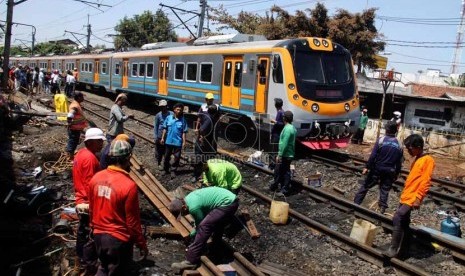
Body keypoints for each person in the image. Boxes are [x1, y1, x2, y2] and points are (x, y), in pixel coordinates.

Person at [89, 140, 148, 275]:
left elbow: (92, 209)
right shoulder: (128, 185)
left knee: (103, 268)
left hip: (98, 236)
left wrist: (92, 229)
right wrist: (141, 243)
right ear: (128, 158)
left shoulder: (96, 178)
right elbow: (132, 222)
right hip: (118, 240)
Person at [384, 134, 434, 258]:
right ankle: (405, 248)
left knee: (398, 217)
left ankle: (393, 249)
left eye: (410, 148)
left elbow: (425, 182)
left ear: (418, 147)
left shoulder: (428, 160)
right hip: (406, 195)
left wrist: (418, 199)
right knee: (404, 222)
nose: (408, 151)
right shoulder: (417, 158)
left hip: (413, 197)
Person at [169, 187, 239, 273]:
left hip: (227, 203)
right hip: (230, 201)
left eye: (182, 213)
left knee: (205, 226)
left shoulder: (193, 207)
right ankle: (215, 249)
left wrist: (192, 234)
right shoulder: (188, 199)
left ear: (183, 207)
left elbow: (201, 225)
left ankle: (191, 261)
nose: (184, 215)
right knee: (216, 224)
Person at [72, 128, 105, 274]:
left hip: (80, 199)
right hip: (87, 202)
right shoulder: (90, 159)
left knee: (82, 232)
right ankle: (88, 265)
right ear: (90, 142)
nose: (102, 143)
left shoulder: (81, 153)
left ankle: (80, 260)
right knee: (89, 235)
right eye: (99, 141)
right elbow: (89, 185)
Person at [353, 121, 404, 214]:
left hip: (377, 168)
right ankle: (382, 209)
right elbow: (399, 161)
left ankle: (355, 205)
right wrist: (397, 173)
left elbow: (373, 156)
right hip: (390, 170)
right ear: (396, 130)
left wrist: (367, 167)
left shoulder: (381, 140)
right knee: (384, 190)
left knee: (365, 186)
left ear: (386, 130)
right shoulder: (400, 144)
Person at [269, 111, 297, 196]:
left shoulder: (287, 129)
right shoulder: (292, 127)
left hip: (285, 154)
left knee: (284, 171)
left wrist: (280, 155)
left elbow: (284, 143)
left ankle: (284, 189)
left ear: (284, 118)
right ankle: (277, 185)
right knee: (281, 170)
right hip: (288, 153)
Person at [160, 102, 188, 179]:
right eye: (177, 109)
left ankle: (173, 170)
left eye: (180, 110)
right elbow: (165, 129)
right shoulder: (168, 118)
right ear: (174, 110)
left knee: (177, 157)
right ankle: (165, 169)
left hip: (177, 142)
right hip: (168, 141)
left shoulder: (183, 120)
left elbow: (184, 132)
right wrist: (162, 138)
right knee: (166, 156)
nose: (179, 111)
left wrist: (184, 142)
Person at [192, 104, 218, 182]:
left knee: (203, 158)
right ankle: (196, 175)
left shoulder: (206, 115)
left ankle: (202, 174)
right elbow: (202, 129)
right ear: (215, 112)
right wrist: (201, 137)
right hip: (203, 142)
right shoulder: (209, 119)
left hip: (205, 141)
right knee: (200, 158)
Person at [66, 92, 88, 160]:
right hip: (74, 128)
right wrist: (70, 123)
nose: (83, 99)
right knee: (73, 141)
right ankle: (70, 157)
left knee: (74, 141)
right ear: (78, 98)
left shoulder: (76, 104)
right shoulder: (75, 106)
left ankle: (70, 155)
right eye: (82, 97)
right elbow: (70, 115)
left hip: (76, 128)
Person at [153, 99, 173, 169]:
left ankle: (166, 163)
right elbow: (156, 126)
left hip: (169, 136)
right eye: (161, 107)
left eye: (163, 106)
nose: (162, 108)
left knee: (168, 151)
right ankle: (159, 163)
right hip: (160, 135)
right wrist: (155, 137)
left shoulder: (171, 114)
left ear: (166, 106)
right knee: (160, 151)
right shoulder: (158, 115)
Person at [269, 98, 285, 170]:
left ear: (276, 105)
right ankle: (274, 165)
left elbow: (282, 124)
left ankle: (273, 166)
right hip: (277, 134)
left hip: (277, 135)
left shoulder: (280, 112)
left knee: (274, 150)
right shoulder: (281, 111)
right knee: (274, 150)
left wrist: (275, 122)